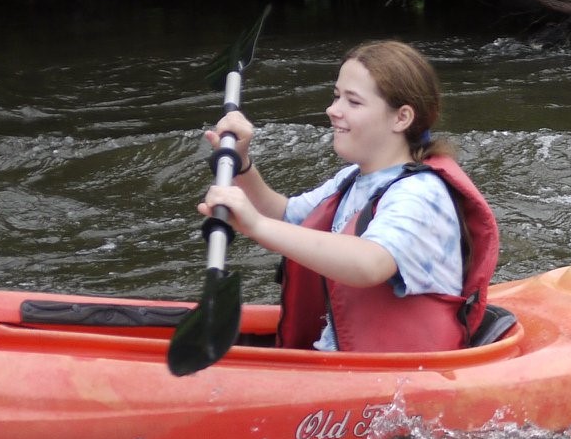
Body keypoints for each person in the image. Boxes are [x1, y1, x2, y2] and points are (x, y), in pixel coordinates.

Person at [198, 40, 499, 353]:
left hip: (399, 379)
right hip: (342, 362)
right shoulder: (356, 177)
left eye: (352, 102)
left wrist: (255, 225)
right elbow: (285, 217)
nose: (333, 110)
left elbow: (369, 263)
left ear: (402, 118)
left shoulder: (421, 195)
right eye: (336, 96)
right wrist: (242, 164)